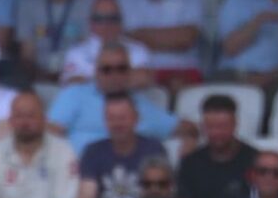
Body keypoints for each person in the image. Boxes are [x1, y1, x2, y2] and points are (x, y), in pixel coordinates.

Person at [48, 43, 194, 152]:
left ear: (130, 72)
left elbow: (188, 128)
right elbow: (49, 133)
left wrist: (191, 141)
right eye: (107, 70)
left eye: (121, 69)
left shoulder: (140, 105)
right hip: (79, 177)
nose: (114, 76)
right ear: (96, 72)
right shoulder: (75, 95)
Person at [75, 93, 169, 198]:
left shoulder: (154, 149)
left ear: (136, 119)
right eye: (112, 118)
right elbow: (87, 197)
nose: (117, 124)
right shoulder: (93, 151)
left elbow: (161, 195)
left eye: (123, 118)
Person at [176, 94, 256, 198]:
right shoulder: (191, 163)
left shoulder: (254, 161)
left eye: (222, 127)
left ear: (235, 124)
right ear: (202, 127)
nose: (216, 133)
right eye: (211, 127)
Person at [60, 0, 151, 85]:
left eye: (112, 18)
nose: (106, 24)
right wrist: (121, 79)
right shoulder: (76, 53)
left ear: (121, 21)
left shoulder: (138, 50)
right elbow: (71, 84)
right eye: (99, 19)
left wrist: (91, 80)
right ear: (90, 22)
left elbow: (143, 78)